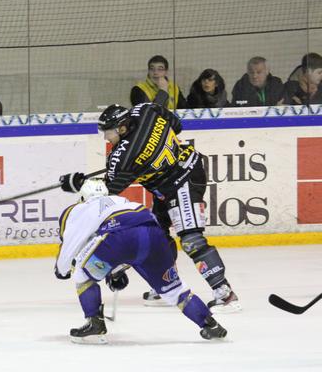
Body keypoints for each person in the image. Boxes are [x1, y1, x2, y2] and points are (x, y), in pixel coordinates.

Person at [58, 103, 241, 313]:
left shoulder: (122, 156)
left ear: (122, 128)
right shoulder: (146, 110)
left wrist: (78, 184)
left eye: (108, 132)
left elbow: (108, 190)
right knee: (157, 235)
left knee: (191, 240)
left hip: (182, 181)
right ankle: (166, 285)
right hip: (178, 174)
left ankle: (225, 294)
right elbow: (177, 125)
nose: (106, 138)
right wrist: (155, 150)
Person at [54, 178, 228, 343]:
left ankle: (95, 324)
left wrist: (61, 270)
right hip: (154, 235)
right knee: (175, 290)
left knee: (82, 275)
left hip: (120, 237)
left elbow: (72, 243)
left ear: (83, 197)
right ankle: (210, 325)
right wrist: (116, 271)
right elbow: (137, 241)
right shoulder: (122, 200)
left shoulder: (79, 209)